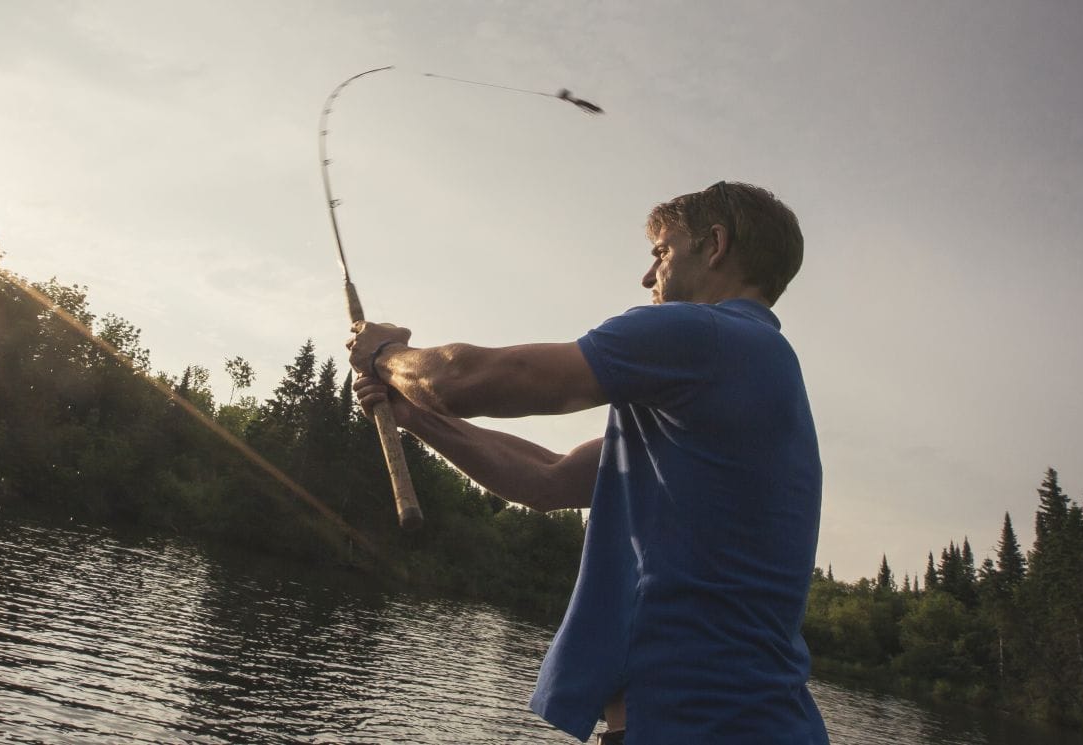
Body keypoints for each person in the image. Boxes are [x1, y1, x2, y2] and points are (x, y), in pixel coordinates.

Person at [346, 181, 828, 744]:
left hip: (709, 727)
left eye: (662, 253)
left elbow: (467, 380)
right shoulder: (737, 382)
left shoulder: (707, 335)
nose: (648, 278)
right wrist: (417, 418)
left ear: (715, 244)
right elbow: (546, 479)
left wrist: (384, 356)